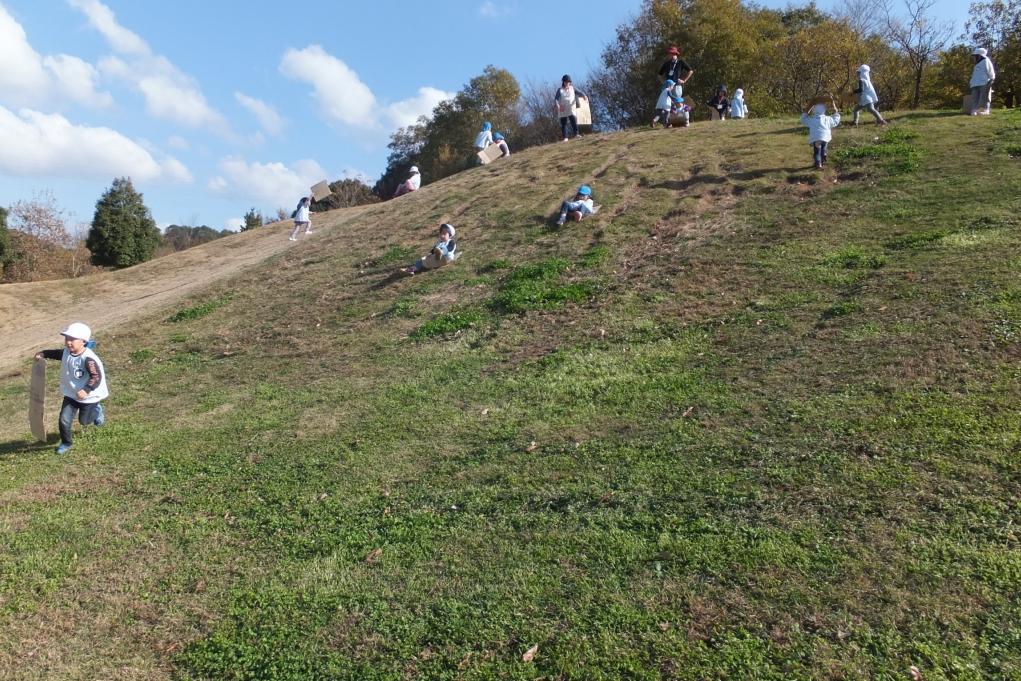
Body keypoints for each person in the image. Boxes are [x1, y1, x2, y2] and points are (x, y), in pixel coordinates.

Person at [34, 322, 109, 455]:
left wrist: (86, 390)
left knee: (84, 421)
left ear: (83, 341)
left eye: (72, 339)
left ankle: (97, 411)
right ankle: (66, 443)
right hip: (71, 394)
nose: (68, 342)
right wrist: (43, 353)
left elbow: (96, 377)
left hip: (89, 396)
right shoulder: (66, 353)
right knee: (64, 419)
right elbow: (57, 354)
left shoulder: (88, 359)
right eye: (67, 338)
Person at [800, 98, 841, 170]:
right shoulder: (828, 119)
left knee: (817, 151)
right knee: (823, 148)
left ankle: (818, 164)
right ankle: (824, 153)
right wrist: (836, 111)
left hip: (816, 138)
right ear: (824, 110)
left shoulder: (811, 119)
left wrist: (808, 109)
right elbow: (836, 120)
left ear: (814, 110)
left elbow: (803, 120)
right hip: (825, 137)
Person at [554, 75, 588, 142]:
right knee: (564, 123)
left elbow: (579, 92)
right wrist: (557, 104)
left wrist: (584, 95)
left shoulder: (572, 88)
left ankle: (576, 134)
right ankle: (565, 137)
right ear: (563, 82)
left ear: (570, 82)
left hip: (571, 108)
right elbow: (556, 99)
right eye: (566, 82)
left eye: (568, 82)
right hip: (563, 108)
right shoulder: (560, 90)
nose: (567, 83)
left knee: (573, 121)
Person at [970, 47, 996, 116]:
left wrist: (992, 79)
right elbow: (975, 74)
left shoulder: (986, 61)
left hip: (984, 82)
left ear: (979, 55)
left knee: (985, 97)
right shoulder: (976, 64)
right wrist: (971, 82)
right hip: (975, 83)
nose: (974, 57)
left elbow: (991, 71)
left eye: (975, 56)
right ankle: (975, 109)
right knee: (975, 97)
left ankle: (985, 110)